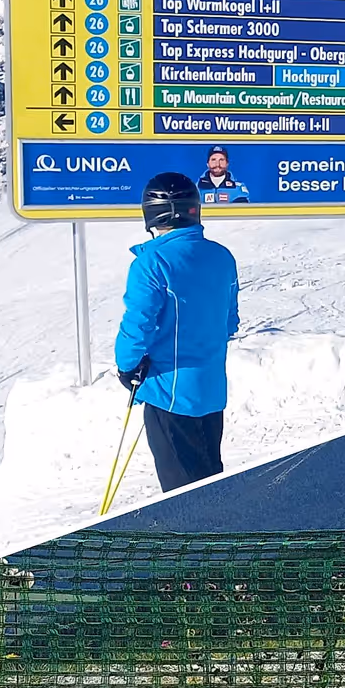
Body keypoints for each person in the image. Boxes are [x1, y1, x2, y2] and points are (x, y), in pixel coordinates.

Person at [115, 173, 241, 493]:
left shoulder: (151, 262)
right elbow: (229, 322)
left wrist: (128, 365)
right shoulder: (222, 256)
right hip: (211, 390)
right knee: (211, 476)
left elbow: (138, 324)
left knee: (183, 494)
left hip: (169, 394)